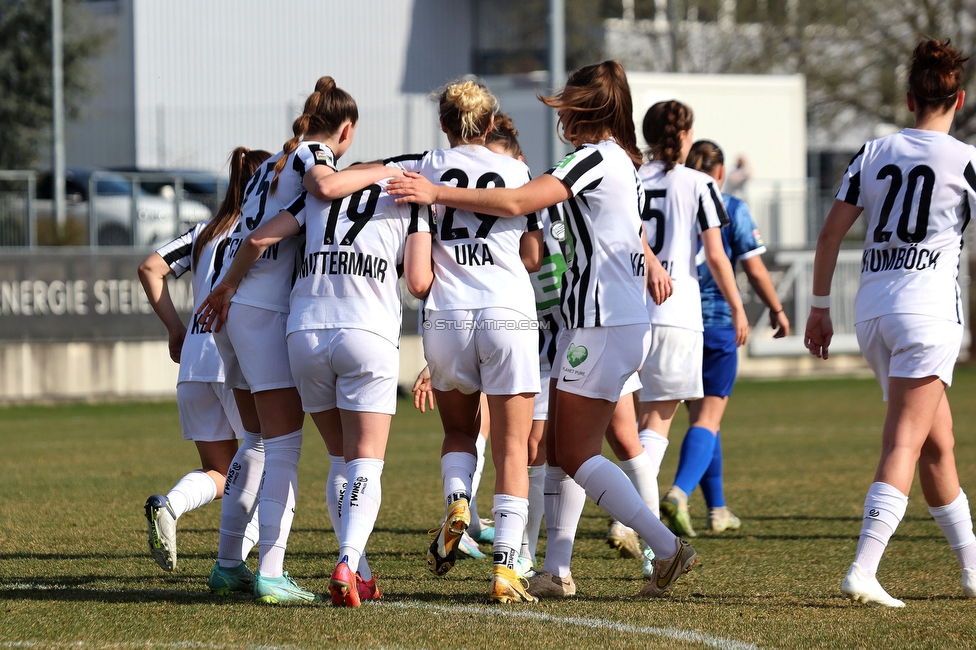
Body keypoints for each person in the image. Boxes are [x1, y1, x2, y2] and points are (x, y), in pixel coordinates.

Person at [387, 60, 697, 599]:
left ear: (584, 109)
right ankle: (556, 569)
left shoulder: (593, 158)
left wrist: (437, 194)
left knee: (575, 452)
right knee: (557, 445)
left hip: (600, 322)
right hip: (603, 321)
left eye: (566, 106)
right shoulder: (621, 160)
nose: (560, 117)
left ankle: (665, 547)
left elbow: (515, 201)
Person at [200, 166, 434, 606]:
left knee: (339, 459)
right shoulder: (411, 195)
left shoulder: (317, 197)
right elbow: (420, 281)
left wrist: (228, 285)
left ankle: (360, 571)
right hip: (367, 331)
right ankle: (347, 560)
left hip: (305, 332)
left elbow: (260, 238)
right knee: (365, 462)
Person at [804, 38, 976, 607]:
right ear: (960, 97)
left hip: (874, 312)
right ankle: (864, 567)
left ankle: (972, 568)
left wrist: (821, 307)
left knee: (938, 444)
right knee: (905, 441)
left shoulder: (875, 150)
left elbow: (830, 234)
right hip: (928, 313)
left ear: (909, 99)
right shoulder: (965, 159)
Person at [199, 76, 368, 605]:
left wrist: (224, 288)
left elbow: (257, 231)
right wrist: (381, 172)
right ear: (346, 129)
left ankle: (230, 564)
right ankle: (271, 571)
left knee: (256, 444)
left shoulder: (276, 159)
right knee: (285, 451)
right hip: (260, 308)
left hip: (236, 310)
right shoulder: (314, 154)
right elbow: (320, 191)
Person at [388, 81, 543, 604]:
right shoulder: (518, 171)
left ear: (445, 125)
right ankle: (506, 568)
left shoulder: (423, 168)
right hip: (507, 312)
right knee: (512, 447)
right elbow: (533, 256)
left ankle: (458, 502)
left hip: (447, 317)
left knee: (459, 430)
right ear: (492, 122)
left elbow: (418, 281)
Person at [620, 101, 747, 568]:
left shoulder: (630, 177)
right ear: (687, 135)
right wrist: (737, 306)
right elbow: (715, 255)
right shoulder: (699, 184)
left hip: (629, 311)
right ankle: (628, 517)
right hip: (677, 311)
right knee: (657, 427)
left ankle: (629, 520)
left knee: (631, 425)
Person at [139, 147, 270, 578]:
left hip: (194, 359)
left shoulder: (204, 231)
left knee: (221, 470)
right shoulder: (265, 230)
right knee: (267, 464)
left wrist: (176, 329)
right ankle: (233, 563)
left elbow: (150, 267)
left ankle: (170, 506)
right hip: (238, 355)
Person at [661, 139, 789, 538]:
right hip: (715, 324)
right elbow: (753, 268)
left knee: (701, 420)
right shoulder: (730, 207)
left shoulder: (669, 201)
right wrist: (776, 309)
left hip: (674, 321)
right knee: (708, 419)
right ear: (719, 174)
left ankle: (717, 510)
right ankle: (679, 494)